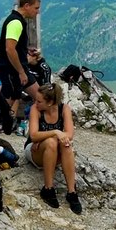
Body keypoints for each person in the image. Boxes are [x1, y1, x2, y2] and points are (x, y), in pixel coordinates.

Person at [26, 82, 82, 214]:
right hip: (35, 151)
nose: (36, 103)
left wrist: (47, 137)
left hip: (54, 151)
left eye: (39, 101)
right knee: (51, 142)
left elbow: (69, 134)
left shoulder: (64, 109)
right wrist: (56, 132)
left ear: (50, 103)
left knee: (66, 144)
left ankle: (72, 192)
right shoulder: (35, 109)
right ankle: (48, 188)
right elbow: (33, 135)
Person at [0, 0, 43, 133]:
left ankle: (39, 125)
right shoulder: (16, 22)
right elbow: (9, 49)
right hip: (12, 69)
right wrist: (21, 71)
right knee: (9, 99)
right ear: (26, 5)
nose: (37, 12)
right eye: (36, 8)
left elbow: (14, 47)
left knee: (40, 96)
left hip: (19, 68)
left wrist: (26, 51)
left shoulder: (17, 20)